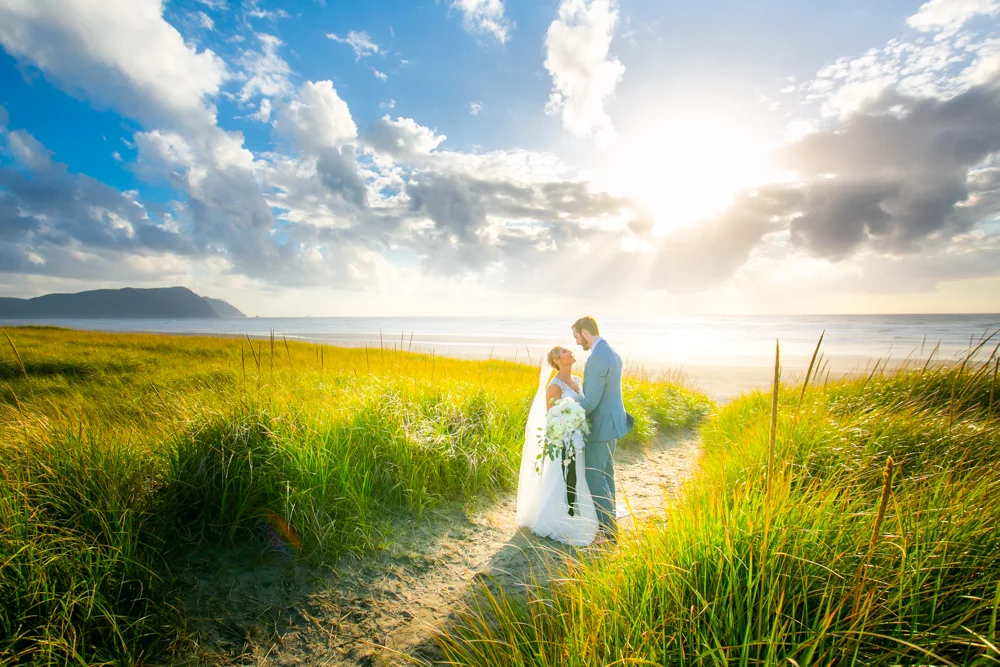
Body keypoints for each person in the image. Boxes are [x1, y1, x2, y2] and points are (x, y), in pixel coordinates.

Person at [515, 346, 598, 546]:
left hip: (578, 438)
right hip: (564, 440)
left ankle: (576, 511)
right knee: (564, 478)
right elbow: (551, 418)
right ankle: (559, 517)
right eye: (563, 352)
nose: (569, 352)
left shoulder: (577, 380)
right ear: (557, 361)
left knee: (577, 476)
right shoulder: (554, 386)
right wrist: (568, 428)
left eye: (568, 350)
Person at [572, 316, 632, 539]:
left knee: (594, 477)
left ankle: (608, 531)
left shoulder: (597, 358)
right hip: (614, 424)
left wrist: (570, 416)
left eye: (577, 337)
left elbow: (591, 401)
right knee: (606, 474)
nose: (577, 342)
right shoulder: (612, 352)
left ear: (585, 333)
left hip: (600, 427)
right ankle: (610, 523)